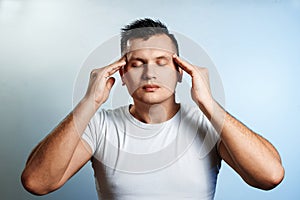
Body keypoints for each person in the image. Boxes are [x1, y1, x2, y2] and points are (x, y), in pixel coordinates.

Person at [21, 18, 284, 199]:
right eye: (137, 63)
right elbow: (37, 183)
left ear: (180, 72)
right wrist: (90, 102)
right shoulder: (99, 125)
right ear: (122, 75)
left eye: (161, 62)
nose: (149, 73)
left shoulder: (207, 124)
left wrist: (208, 104)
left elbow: (270, 177)